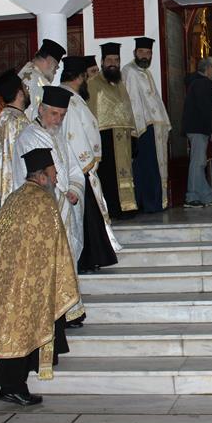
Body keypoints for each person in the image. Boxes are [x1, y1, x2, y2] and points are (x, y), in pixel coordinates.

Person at [0, 147, 80, 407]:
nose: (56, 178)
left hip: (8, 277)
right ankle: (13, 387)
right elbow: (54, 245)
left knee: (15, 331)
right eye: (53, 174)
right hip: (29, 280)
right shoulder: (42, 201)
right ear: (41, 176)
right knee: (22, 331)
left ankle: (11, 385)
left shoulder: (15, 198)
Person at [13, 85, 86, 326]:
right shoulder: (29, 138)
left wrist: (74, 190)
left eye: (62, 115)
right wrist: (58, 198)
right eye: (54, 113)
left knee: (67, 260)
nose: (58, 120)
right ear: (41, 110)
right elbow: (33, 178)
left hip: (65, 209)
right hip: (44, 212)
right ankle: (55, 315)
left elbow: (73, 168)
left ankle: (71, 309)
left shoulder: (58, 135)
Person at [60, 56, 121, 272]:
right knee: (85, 217)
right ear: (79, 78)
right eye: (85, 78)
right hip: (79, 167)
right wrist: (88, 164)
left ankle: (93, 257)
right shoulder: (70, 100)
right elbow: (74, 134)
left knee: (89, 216)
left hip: (79, 167)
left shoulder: (71, 97)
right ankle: (87, 258)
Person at [86, 42, 138, 218]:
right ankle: (113, 209)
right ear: (102, 62)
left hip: (123, 137)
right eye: (109, 60)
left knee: (125, 173)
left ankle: (127, 206)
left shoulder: (120, 83)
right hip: (104, 137)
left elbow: (128, 110)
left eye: (116, 60)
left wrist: (134, 135)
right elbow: (90, 112)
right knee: (109, 176)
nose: (113, 64)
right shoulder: (93, 83)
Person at [123, 37, 171, 212]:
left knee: (153, 166)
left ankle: (155, 202)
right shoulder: (129, 72)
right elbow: (132, 101)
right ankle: (148, 204)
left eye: (148, 52)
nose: (145, 55)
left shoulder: (145, 72)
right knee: (146, 167)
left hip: (153, 126)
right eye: (141, 52)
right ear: (135, 53)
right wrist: (136, 130)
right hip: (141, 127)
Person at [0, 69, 30, 236]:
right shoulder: (16, 121)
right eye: (25, 88)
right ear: (19, 93)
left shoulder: (7, 117)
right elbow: (22, 160)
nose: (27, 91)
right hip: (18, 186)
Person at [183, 56, 212, 207]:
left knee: (199, 162)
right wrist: (209, 129)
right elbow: (205, 108)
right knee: (197, 163)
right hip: (198, 128)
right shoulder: (202, 83)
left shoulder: (198, 82)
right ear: (207, 68)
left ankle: (206, 196)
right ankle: (191, 196)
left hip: (197, 127)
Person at [18, 38, 66, 121]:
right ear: (48, 60)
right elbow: (32, 113)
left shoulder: (28, 72)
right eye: (55, 66)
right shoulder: (34, 79)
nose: (56, 71)